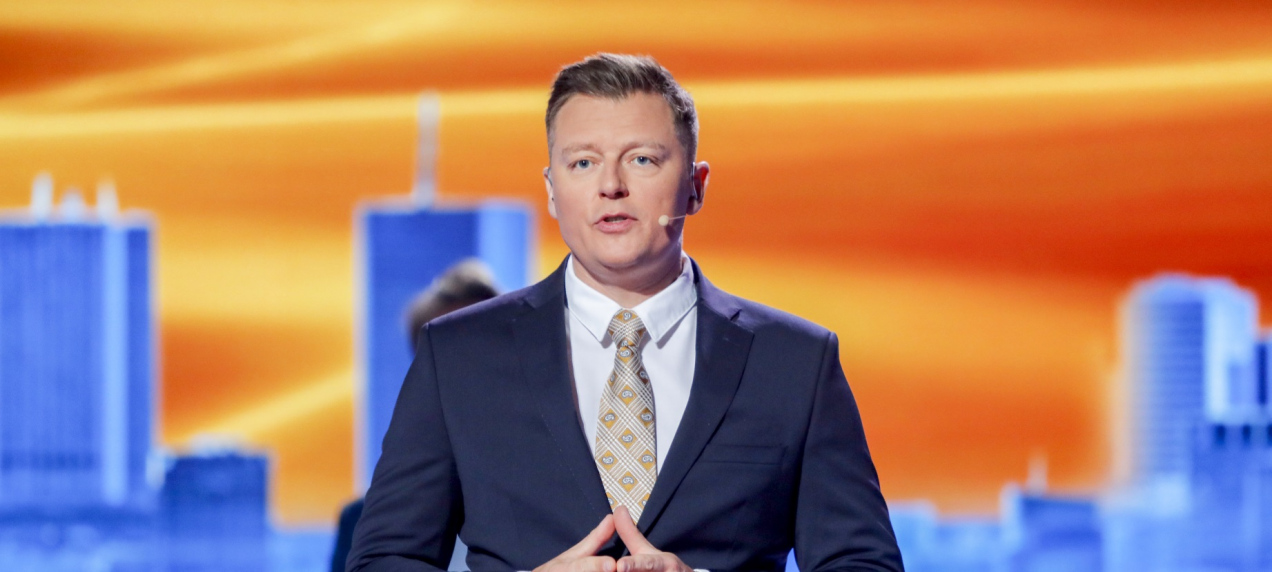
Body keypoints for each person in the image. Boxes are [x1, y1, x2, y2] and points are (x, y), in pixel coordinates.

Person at [347, 53, 903, 572]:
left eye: (641, 160)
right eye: (583, 162)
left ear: (696, 186)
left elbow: (863, 564)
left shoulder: (795, 363)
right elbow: (384, 561)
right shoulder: (458, 357)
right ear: (552, 190)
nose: (611, 186)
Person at [331, 259, 499, 572]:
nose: (458, 372)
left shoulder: (553, 502)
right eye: (437, 356)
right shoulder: (361, 525)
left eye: (476, 350)